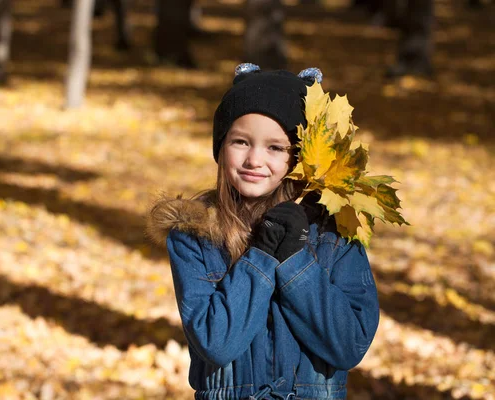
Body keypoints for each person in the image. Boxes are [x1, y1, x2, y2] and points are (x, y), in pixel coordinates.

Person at [147, 64, 380, 400]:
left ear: (299, 157)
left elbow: (349, 345)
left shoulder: (336, 230)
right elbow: (217, 342)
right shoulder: (193, 233)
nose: (254, 159)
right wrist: (263, 254)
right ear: (221, 147)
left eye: (275, 148)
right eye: (241, 141)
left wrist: (295, 261)